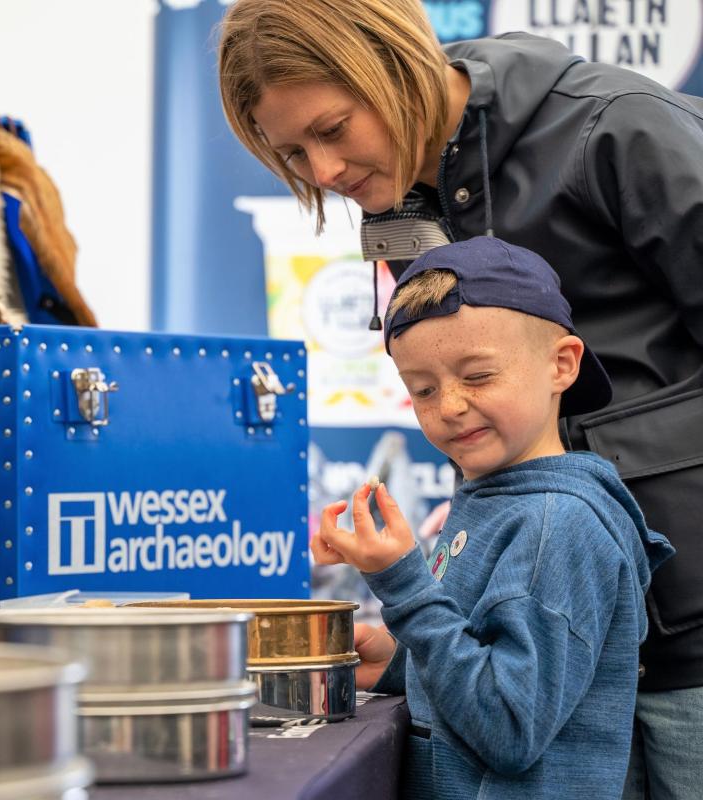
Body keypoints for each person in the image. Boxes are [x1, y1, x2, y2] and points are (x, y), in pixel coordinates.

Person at [217, 2, 703, 795]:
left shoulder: (616, 130)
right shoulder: (404, 199)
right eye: (295, 153)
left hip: (688, 648)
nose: (327, 172)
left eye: (334, 129)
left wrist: (574, 494)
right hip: (569, 666)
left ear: (395, 62)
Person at [312, 236, 672, 799]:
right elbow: (474, 663)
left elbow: (507, 726)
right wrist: (398, 655)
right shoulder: (492, 497)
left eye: (477, 376)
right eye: (423, 390)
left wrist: (406, 589)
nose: (449, 406)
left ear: (562, 364)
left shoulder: (558, 525)